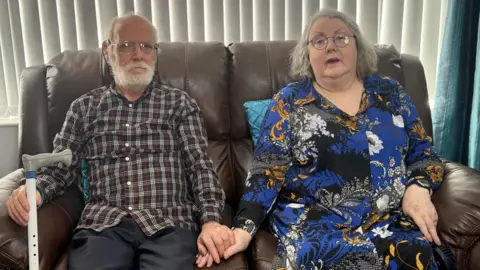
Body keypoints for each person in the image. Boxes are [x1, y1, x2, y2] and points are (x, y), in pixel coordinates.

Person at [198, 9, 445, 270]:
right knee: (328, 257)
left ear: (357, 46)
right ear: (307, 54)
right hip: (314, 220)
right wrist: (243, 230)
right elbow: (265, 173)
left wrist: (418, 189)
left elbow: (424, 154)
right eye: (319, 40)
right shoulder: (288, 102)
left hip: (388, 218)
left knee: (418, 255)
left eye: (341, 38)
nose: (330, 46)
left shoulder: (391, 93)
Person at [6, 13, 234, 270]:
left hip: (169, 224)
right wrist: (34, 190)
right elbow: (61, 166)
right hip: (103, 226)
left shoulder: (179, 104)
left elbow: (200, 167)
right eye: (126, 45)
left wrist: (211, 220)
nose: (138, 54)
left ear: (155, 53)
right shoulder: (84, 108)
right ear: (107, 51)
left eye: (147, 46)